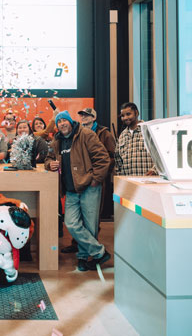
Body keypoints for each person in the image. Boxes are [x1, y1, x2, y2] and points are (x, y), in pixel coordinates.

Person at [45, 111, 111, 271]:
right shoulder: (57, 141)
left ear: (70, 121)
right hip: (71, 190)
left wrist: (96, 179)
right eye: (59, 122)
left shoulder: (86, 135)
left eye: (64, 120)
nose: (62, 124)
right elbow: (48, 158)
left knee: (90, 226)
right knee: (71, 223)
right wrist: (49, 165)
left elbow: (103, 158)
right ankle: (99, 252)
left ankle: (83, 257)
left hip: (89, 187)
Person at [62, 108, 116, 254]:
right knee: (74, 221)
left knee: (91, 220)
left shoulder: (103, 133)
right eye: (82, 115)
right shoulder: (73, 134)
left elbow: (110, 157)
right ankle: (85, 247)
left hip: (94, 182)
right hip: (76, 184)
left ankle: (87, 255)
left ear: (94, 117)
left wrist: (97, 177)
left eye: (87, 115)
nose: (84, 117)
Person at [114, 102, 156, 176]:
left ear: (136, 113)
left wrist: (154, 170)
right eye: (122, 116)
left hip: (148, 182)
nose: (125, 118)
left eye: (128, 114)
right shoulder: (122, 135)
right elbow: (118, 160)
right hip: (128, 184)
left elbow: (161, 155)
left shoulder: (149, 130)